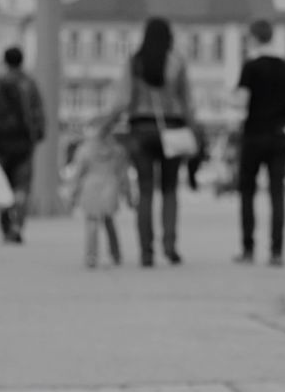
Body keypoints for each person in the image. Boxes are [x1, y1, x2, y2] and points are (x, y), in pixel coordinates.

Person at [102, 17, 196, 268]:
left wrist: (106, 125)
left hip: (141, 129)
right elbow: (187, 102)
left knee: (145, 190)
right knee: (169, 190)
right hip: (173, 130)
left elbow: (122, 100)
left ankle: (146, 251)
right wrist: (193, 128)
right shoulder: (177, 62)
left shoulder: (135, 62)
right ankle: (170, 245)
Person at [232, 18, 285, 267]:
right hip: (280, 135)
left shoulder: (250, 67)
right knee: (277, 193)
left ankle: (248, 248)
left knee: (247, 191)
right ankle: (276, 251)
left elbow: (241, 102)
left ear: (253, 37)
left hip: (254, 134)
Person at [0, 46, 45, 245]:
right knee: (22, 186)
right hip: (24, 143)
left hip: (0, 143)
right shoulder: (29, 83)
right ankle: (17, 225)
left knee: (2, 186)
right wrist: (37, 135)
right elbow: (38, 111)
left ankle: (5, 227)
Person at [69, 122, 133, 268]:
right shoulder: (117, 151)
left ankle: (91, 256)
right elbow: (123, 175)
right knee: (109, 222)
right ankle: (115, 253)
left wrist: (73, 194)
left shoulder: (85, 150)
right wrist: (128, 194)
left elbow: (78, 174)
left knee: (92, 223)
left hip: (90, 186)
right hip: (110, 186)